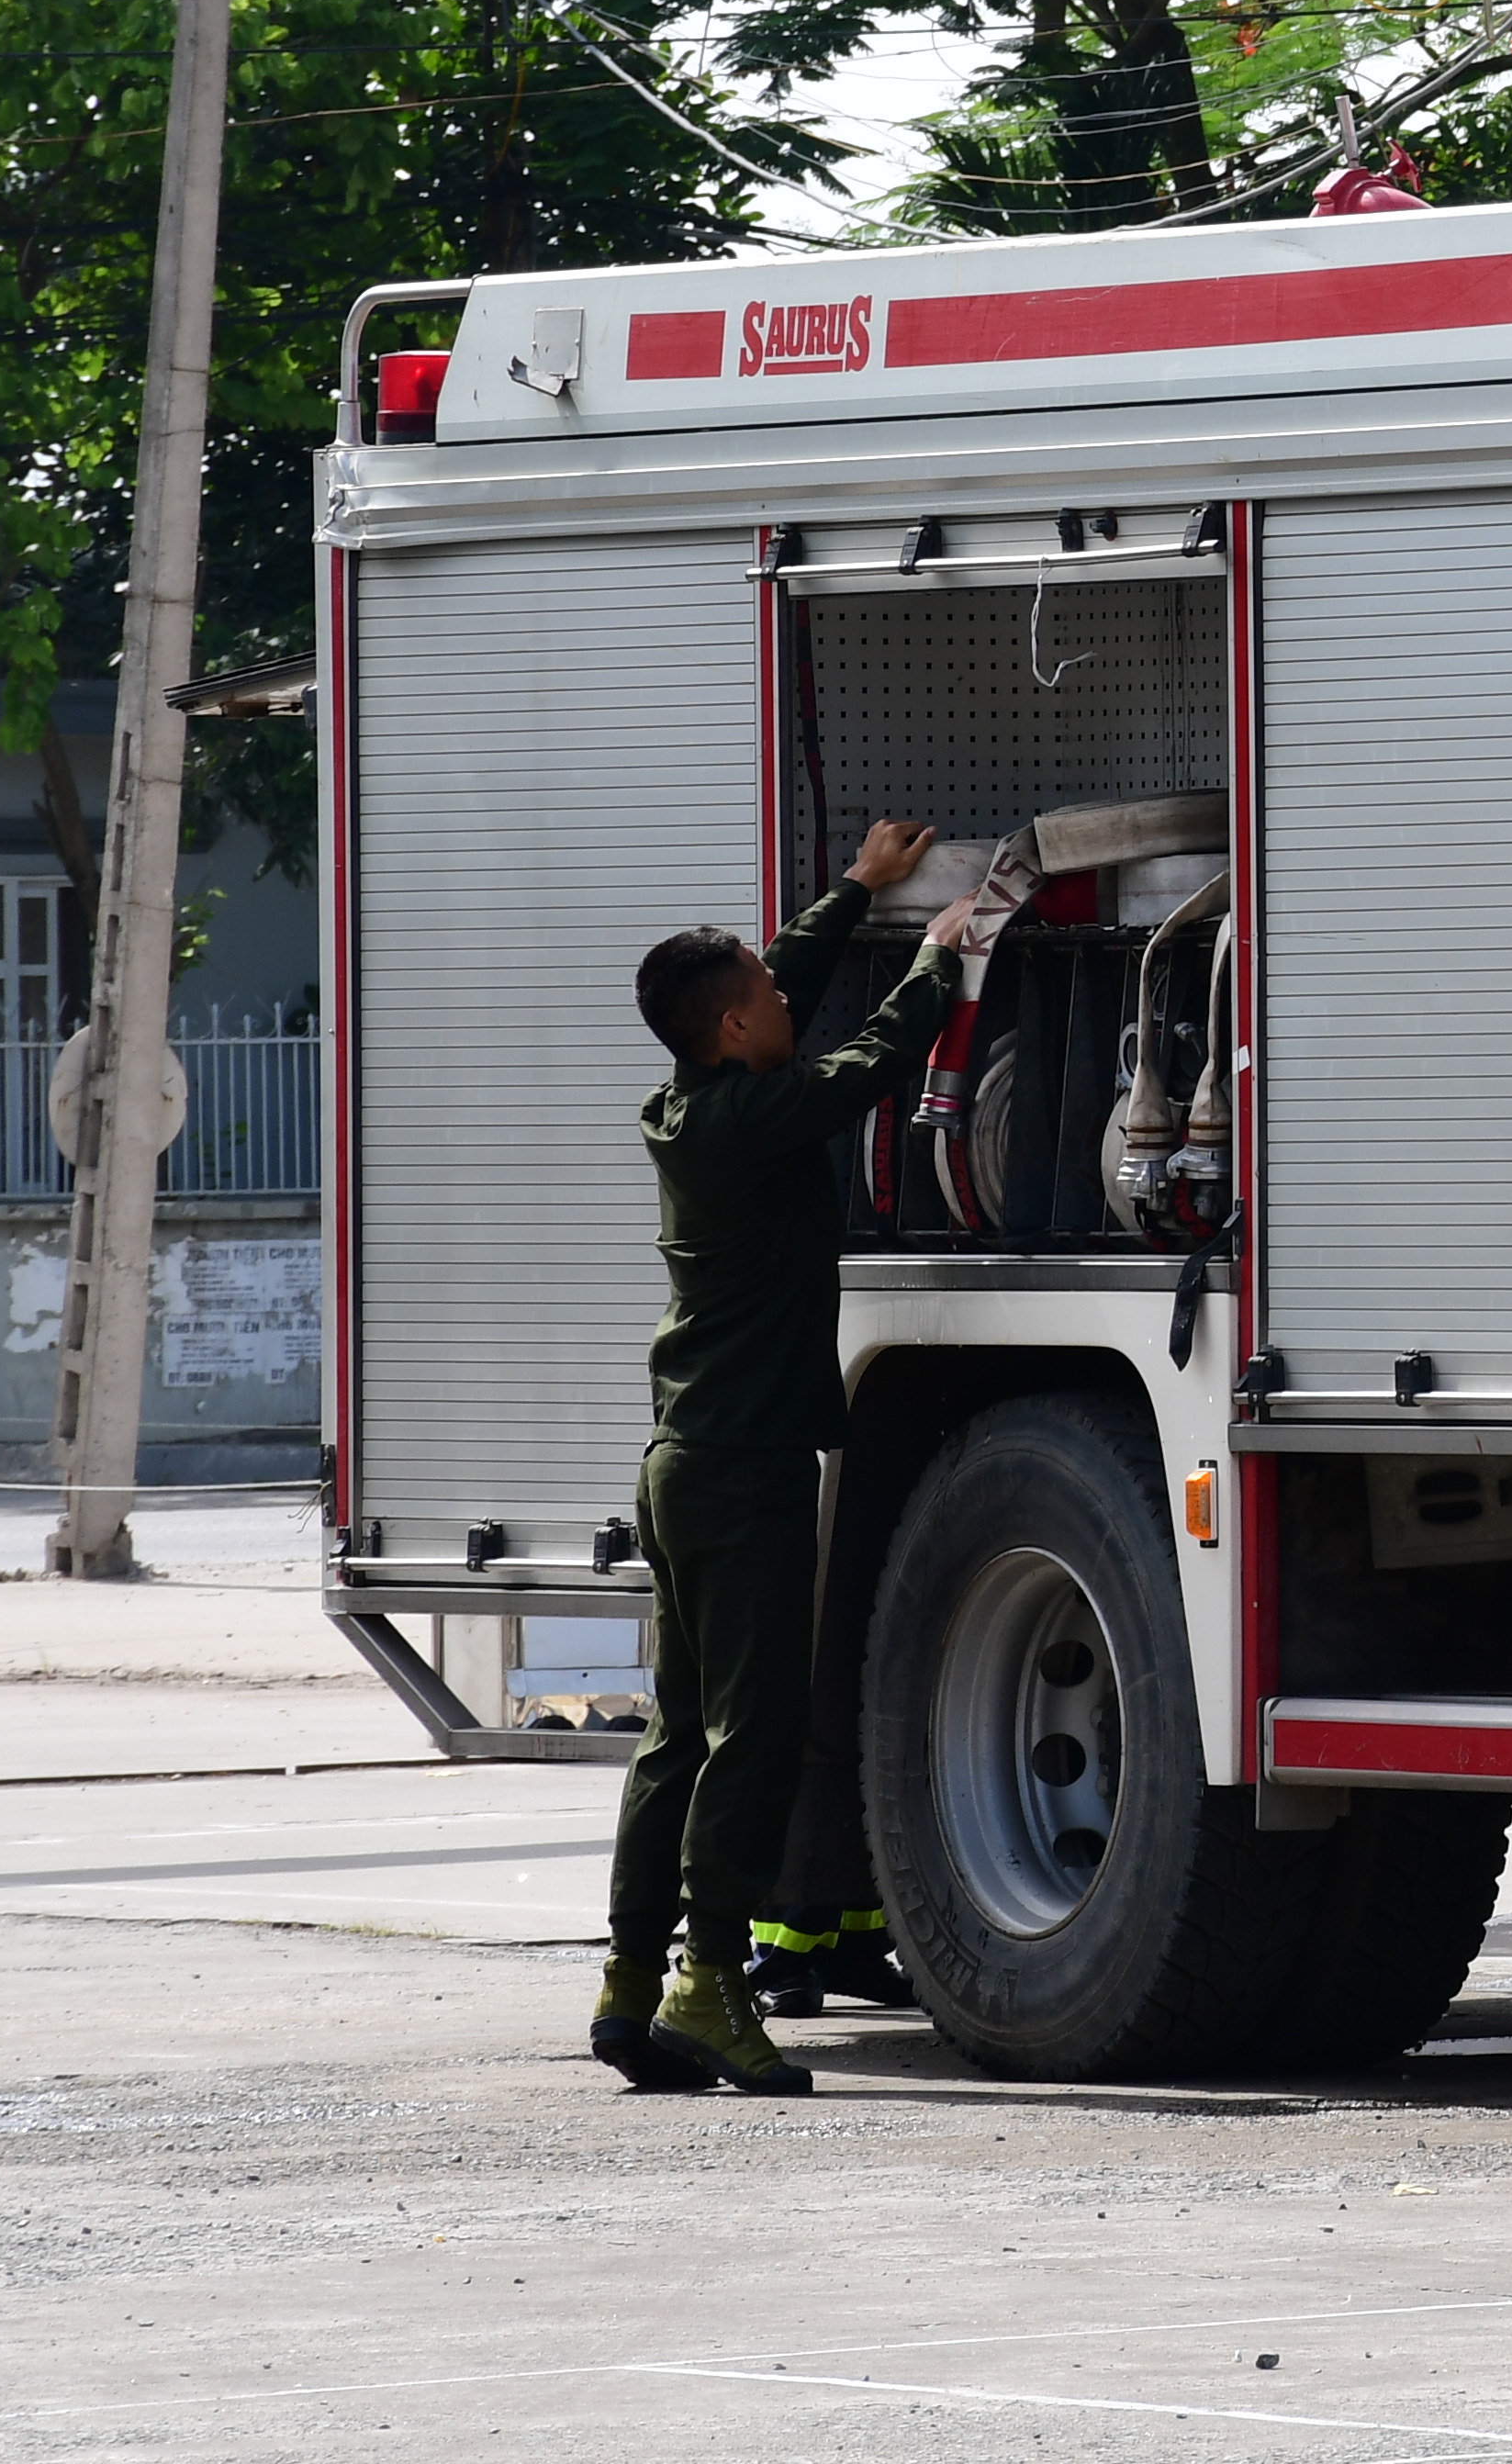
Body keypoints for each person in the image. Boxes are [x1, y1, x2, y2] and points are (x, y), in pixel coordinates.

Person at [593, 822, 971, 2094]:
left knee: (677, 1736)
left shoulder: (689, 1103)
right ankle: (712, 1990)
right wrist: (935, 960)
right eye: (762, 993)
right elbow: (866, 1065)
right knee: (752, 1738)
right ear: (732, 1031)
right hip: (744, 1473)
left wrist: (849, 894)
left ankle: (630, 1983)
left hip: (683, 1460)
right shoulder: (759, 1117)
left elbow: (789, 1003)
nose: (781, 999)